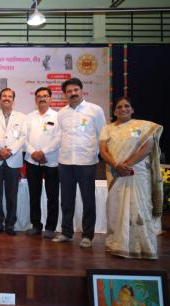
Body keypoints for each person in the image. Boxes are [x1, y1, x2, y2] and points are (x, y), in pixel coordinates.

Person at [100, 97, 163, 259]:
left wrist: (127, 164)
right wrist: (117, 166)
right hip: (116, 173)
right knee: (116, 207)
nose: (123, 109)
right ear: (114, 112)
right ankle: (118, 244)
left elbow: (147, 147)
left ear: (132, 109)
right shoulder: (107, 129)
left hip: (137, 172)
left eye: (127, 106)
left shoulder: (143, 126)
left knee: (140, 206)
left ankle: (143, 246)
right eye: (119, 107)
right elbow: (103, 151)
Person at [52, 78, 106, 248]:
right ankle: (66, 232)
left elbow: (102, 135)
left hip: (87, 162)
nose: (73, 93)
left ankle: (88, 235)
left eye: (76, 89)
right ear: (65, 94)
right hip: (65, 162)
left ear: (82, 90)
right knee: (66, 199)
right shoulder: (62, 113)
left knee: (88, 199)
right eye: (69, 91)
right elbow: (59, 137)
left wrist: (94, 154)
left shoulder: (95, 110)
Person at [0, 88, 26, 236]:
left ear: (13, 99)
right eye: (4, 96)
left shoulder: (21, 117)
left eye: (9, 96)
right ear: (0, 98)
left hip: (13, 160)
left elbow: (22, 137)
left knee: (11, 194)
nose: (6, 98)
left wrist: (9, 151)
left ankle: (10, 224)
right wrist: (0, 149)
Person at [24, 87, 60, 239]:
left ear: (50, 99)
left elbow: (59, 139)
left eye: (45, 96)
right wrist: (34, 153)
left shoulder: (58, 117)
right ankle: (36, 225)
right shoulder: (29, 117)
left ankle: (51, 227)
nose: (42, 98)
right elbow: (23, 138)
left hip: (51, 161)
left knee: (52, 196)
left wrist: (43, 152)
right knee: (34, 194)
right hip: (32, 161)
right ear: (35, 99)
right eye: (39, 96)